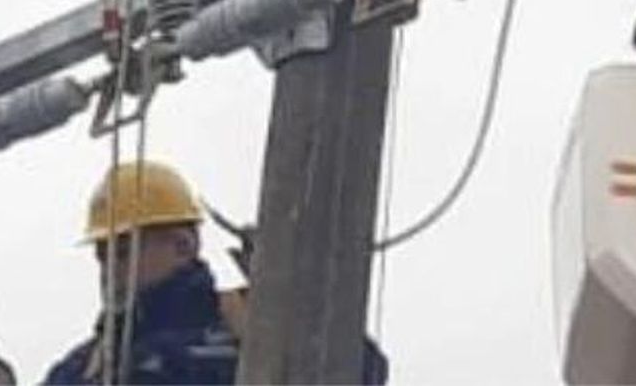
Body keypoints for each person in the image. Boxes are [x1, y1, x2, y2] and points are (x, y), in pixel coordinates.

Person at [44, 161, 387, 385]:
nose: (108, 272)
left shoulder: (247, 326)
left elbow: (361, 372)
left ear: (183, 245)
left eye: (122, 252)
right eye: (101, 257)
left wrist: (302, 303)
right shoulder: (86, 365)